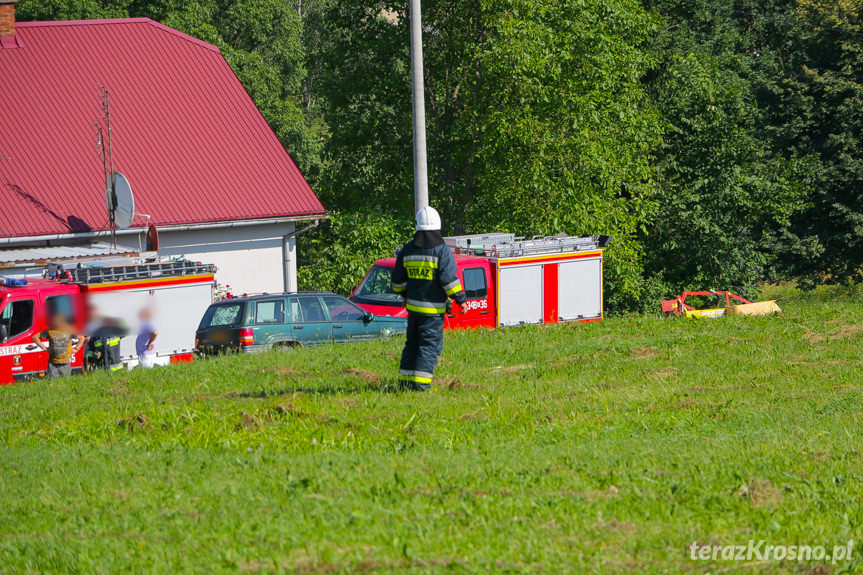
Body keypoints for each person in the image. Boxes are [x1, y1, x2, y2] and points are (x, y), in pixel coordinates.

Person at [391, 206, 468, 390]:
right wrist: (461, 299)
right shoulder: (441, 251)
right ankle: (420, 386)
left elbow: (397, 282)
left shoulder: (407, 250)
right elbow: (448, 280)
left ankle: (405, 383)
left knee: (412, 344)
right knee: (429, 346)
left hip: (413, 310)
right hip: (433, 311)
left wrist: (405, 295)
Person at [32, 312, 86, 378]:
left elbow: (82, 337)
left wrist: (76, 349)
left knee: (66, 384)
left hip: (65, 363)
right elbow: (35, 337)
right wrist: (45, 348)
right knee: (53, 385)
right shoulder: (50, 331)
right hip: (53, 364)